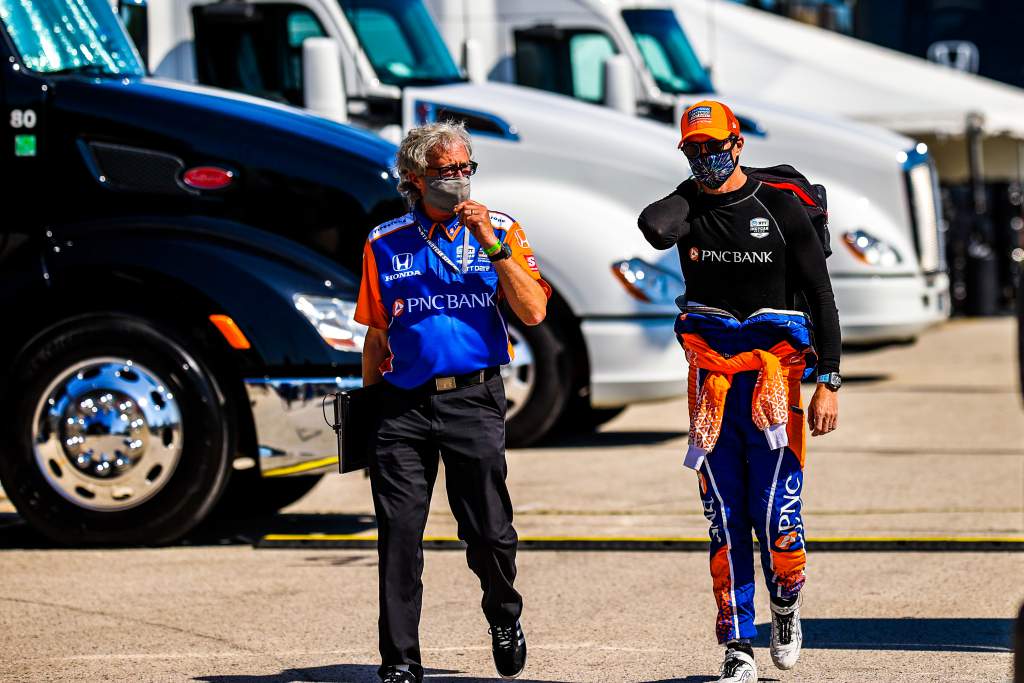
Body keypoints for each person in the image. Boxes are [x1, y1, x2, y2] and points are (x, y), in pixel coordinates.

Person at [638, 100, 841, 683]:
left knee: (776, 516)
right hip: (712, 382)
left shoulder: (778, 207)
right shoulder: (689, 208)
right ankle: (736, 644)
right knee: (725, 521)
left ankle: (786, 603)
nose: (706, 157)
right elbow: (654, 227)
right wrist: (695, 185)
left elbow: (821, 295)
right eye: (694, 149)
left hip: (776, 377)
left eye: (715, 146)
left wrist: (828, 378)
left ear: (738, 143)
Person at [355, 121, 549, 683]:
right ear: (415, 179)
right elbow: (375, 335)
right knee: (398, 534)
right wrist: (366, 415)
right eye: (447, 172)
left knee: (488, 531)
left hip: (473, 398)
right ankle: (399, 660)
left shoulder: (503, 229)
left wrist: (491, 241)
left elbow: (534, 311)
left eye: (468, 169)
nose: (460, 181)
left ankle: (504, 614)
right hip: (401, 406)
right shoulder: (383, 241)